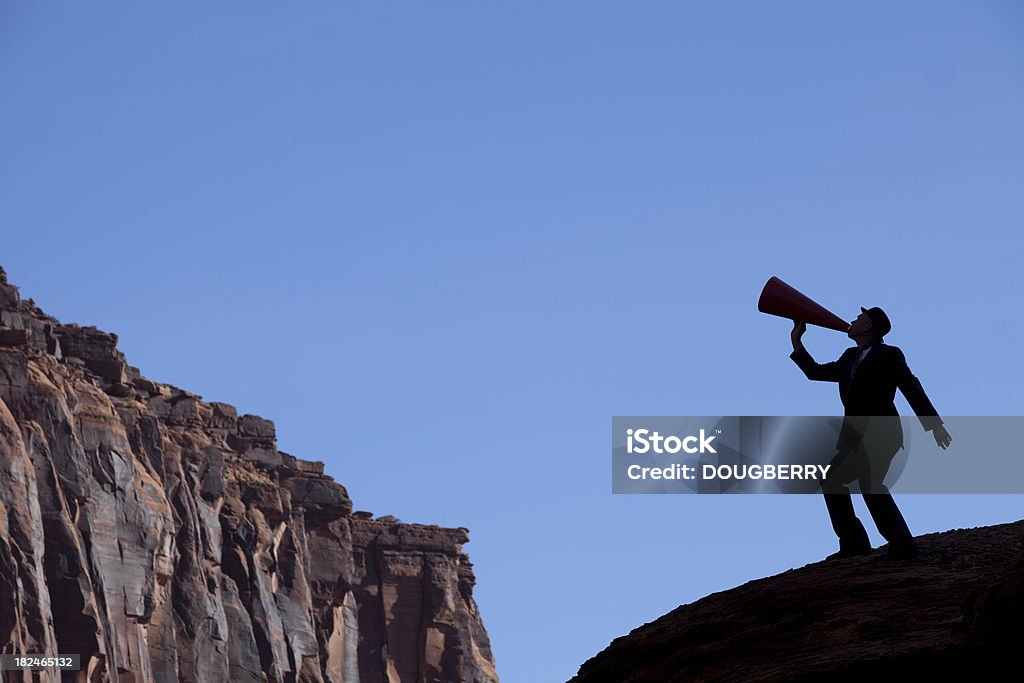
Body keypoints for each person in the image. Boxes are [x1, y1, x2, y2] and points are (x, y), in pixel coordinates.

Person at [790, 307, 952, 561]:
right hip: (854, 437)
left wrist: (934, 424)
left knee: (870, 484)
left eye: (859, 318)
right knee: (832, 480)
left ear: (868, 327)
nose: (853, 320)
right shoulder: (848, 356)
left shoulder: (889, 354)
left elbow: (910, 386)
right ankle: (854, 543)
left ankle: (902, 545)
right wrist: (797, 342)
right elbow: (816, 373)